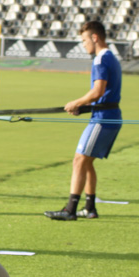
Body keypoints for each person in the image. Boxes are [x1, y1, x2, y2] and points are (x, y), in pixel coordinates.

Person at [44, 21, 122, 221]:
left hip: (103, 119)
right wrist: (84, 107)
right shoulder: (111, 57)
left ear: (95, 38)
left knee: (79, 160)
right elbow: (105, 95)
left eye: (85, 40)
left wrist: (75, 102)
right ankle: (89, 207)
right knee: (87, 162)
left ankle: (70, 209)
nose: (84, 44)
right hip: (108, 116)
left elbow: (98, 91)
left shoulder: (100, 59)